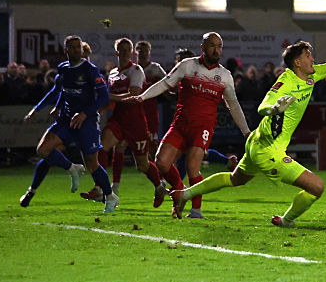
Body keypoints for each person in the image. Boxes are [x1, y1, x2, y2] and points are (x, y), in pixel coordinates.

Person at [170, 12, 326, 227]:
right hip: (268, 150)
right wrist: (275, 108)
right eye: (308, 56)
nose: (313, 59)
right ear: (297, 62)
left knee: (235, 179)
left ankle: (184, 194)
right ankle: (286, 220)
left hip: (257, 142)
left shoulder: (312, 75)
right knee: (317, 186)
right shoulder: (285, 81)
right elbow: (262, 106)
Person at [131, 32, 251, 219]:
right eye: (212, 45)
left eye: (219, 46)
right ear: (203, 47)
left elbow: (233, 105)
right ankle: (180, 191)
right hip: (180, 125)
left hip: (202, 128)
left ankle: (196, 211)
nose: (216, 49)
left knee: (192, 166)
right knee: (161, 162)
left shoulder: (224, 76)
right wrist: (142, 96)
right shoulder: (187, 66)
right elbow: (165, 84)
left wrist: (246, 131)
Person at [20, 35, 116, 213]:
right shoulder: (63, 69)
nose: (75, 50)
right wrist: (37, 109)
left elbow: (104, 97)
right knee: (42, 150)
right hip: (66, 119)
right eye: (71, 48)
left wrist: (84, 113)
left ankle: (109, 197)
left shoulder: (90, 70)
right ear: (66, 51)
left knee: (92, 164)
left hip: (86, 121)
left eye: (77, 47)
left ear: (81, 49)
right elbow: (56, 90)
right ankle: (72, 168)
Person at [80, 38, 168, 206]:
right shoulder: (112, 73)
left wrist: (106, 96)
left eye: (129, 49)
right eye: (123, 49)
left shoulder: (136, 70)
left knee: (142, 165)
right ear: (117, 52)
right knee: (102, 146)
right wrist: (96, 109)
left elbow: (133, 96)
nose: (127, 52)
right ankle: (100, 188)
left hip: (136, 123)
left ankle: (159, 186)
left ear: (132, 52)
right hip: (118, 120)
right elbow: (110, 101)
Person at [135, 40, 167, 159]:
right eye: (140, 51)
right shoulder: (133, 68)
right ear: (135, 52)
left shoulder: (155, 68)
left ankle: (156, 168)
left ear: (149, 52)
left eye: (146, 51)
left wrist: (171, 95)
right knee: (129, 141)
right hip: (134, 110)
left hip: (151, 110)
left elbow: (167, 83)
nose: (143, 53)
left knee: (153, 140)